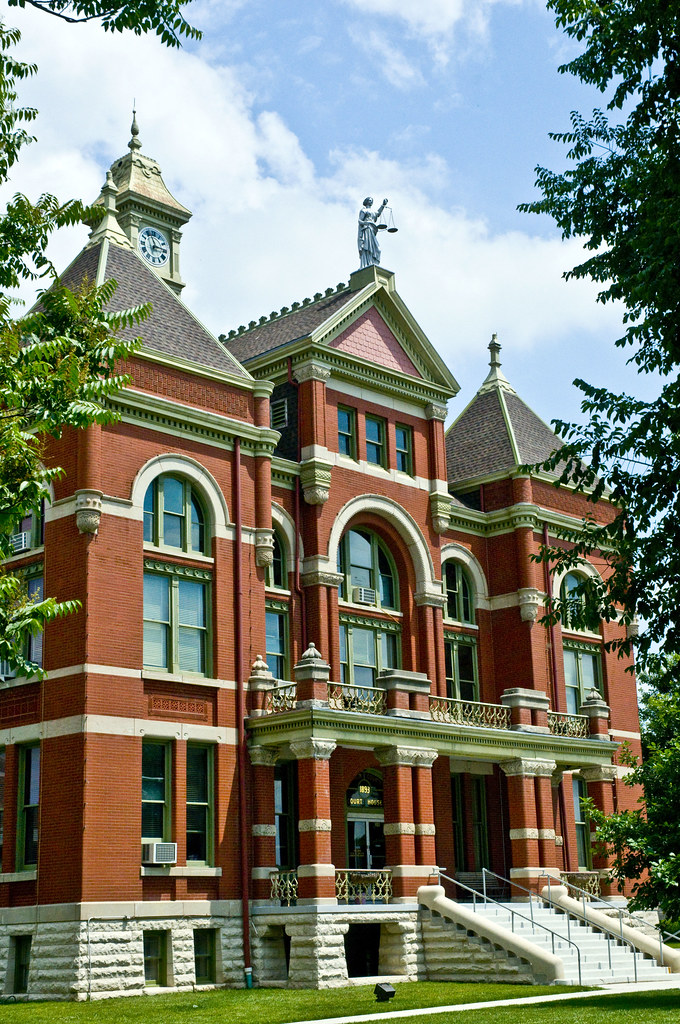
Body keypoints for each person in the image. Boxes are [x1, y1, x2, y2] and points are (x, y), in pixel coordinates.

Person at [358, 197, 388, 268]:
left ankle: (373, 262)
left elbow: (378, 213)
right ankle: (367, 263)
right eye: (369, 200)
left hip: (372, 230)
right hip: (367, 229)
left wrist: (383, 205)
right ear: (366, 201)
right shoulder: (364, 210)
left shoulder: (373, 211)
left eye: (372, 200)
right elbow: (359, 221)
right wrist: (366, 223)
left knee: (377, 249)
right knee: (367, 246)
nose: (371, 201)